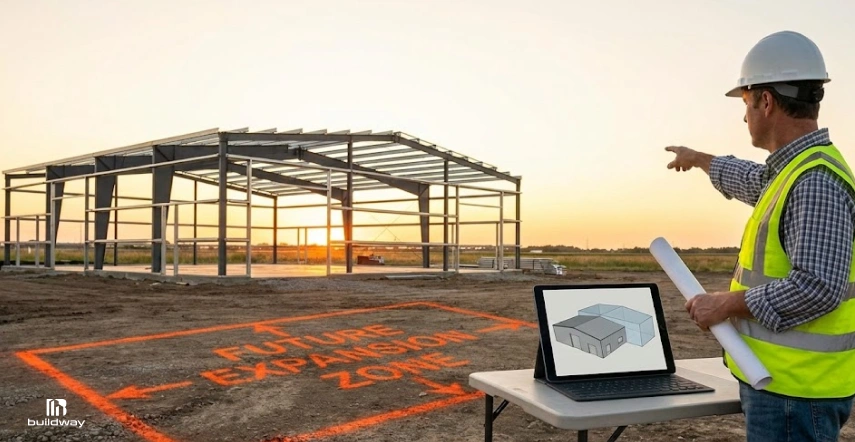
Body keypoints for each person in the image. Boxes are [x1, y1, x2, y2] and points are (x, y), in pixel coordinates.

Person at [664, 30, 855, 442]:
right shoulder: (792, 171)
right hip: (786, 386)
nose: (744, 115)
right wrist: (698, 160)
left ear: (766, 101)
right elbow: (752, 179)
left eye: (747, 103)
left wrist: (725, 305)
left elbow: (818, 287)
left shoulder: (813, 180)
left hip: (795, 392)